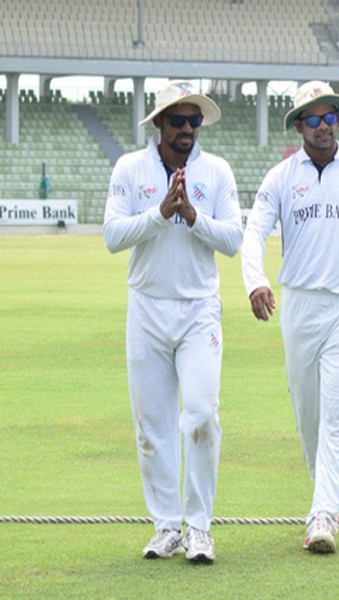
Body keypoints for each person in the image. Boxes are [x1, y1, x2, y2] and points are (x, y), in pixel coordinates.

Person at [241, 81, 339, 554]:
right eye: (312, 119)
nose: (323, 126)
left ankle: (323, 514)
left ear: (338, 120)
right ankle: (325, 493)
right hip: (300, 304)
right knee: (307, 412)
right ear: (298, 126)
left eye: (329, 116)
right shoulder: (281, 177)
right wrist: (256, 280)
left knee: (334, 413)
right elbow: (255, 233)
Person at [103, 80, 242, 563]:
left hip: (198, 308)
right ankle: (166, 526)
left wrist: (192, 215)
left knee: (202, 414)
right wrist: (161, 214)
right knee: (152, 426)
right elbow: (112, 235)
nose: (187, 129)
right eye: (178, 120)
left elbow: (232, 240)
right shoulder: (130, 168)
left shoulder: (217, 171)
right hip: (146, 307)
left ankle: (199, 527)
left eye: (194, 120)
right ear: (158, 123)